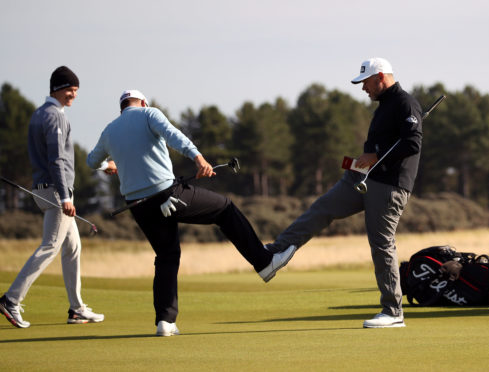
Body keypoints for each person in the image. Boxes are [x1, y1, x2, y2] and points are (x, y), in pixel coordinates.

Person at [86, 90, 295, 336]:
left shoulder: (110, 131)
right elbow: (173, 136)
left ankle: (165, 321)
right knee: (225, 209)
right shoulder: (149, 113)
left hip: (138, 206)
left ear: (122, 108)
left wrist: (108, 165)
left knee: (166, 255)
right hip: (168, 194)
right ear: (143, 103)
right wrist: (198, 158)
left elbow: (91, 161)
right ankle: (264, 262)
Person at [265, 57, 423, 328]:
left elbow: (412, 143)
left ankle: (393, 312)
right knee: (322, 208)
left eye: (366, 83)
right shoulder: (386, 104)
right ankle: (277, 253)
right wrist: (366, 159)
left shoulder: (405, 103)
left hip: (389, 185)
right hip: (364, 179)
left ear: (381, 77)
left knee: (381, 243)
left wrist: (376, 157)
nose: (363, 89)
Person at [0, 66, 105, 328]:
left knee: (73, 247)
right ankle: (11, 299)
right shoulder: (56, 116)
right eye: (71, 90)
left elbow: (62, 157)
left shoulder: (39, 114)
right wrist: (65, 196)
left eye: (76, 90)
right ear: (57, 88)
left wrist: (102, 166)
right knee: (50, 246)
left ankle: (76, 308)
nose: (74, 95)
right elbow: (57, 159)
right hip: (55, 191)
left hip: (43, 189)